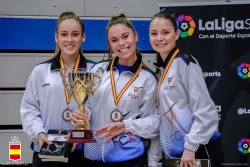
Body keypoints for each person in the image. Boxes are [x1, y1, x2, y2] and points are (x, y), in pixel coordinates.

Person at [71, 13, 161, 167]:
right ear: (110, 44)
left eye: (125, 36)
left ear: (136, 36)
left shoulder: (148, 78)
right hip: (94, 157)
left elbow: (154, 122)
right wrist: (82, 114)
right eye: (114, 40)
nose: (121, 43)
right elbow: (89, 106)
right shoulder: (97, 70)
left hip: (129, 159)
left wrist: (126, 126)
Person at [149, 11, 224, 167]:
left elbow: (206, 111)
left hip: (199, 149)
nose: (159, 38)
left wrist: (191, 147)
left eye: (165, 32)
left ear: (176, 35)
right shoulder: (162, 69)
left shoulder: (185, 63)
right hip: (181, 152)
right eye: (154, 33)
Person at [20, 11, 94, 167]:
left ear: (83, 37)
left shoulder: (94, 71)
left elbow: (100, 110)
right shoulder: (40, 71)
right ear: (56, 37)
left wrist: (81, 130)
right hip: (48, 150)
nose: (69, 40)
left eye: (75, 34)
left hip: (82, 153)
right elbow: (29, 109)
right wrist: (39, 133)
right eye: (64, 34)